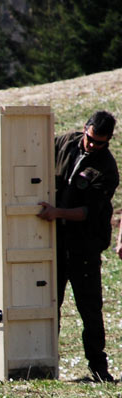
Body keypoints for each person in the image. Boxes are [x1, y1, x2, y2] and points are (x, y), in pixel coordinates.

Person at [37, 111, 119, 383]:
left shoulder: (107, 168)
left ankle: (98, 369)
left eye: (101, 143)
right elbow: (38, 151)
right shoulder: (65, 143)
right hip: (57, 244)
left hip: (85, 246)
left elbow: (87, 212)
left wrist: (56, 213)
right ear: (85, 130)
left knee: (90, 310)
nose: (94, 146)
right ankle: (46, 366)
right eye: (92, 139)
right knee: (51, 307)